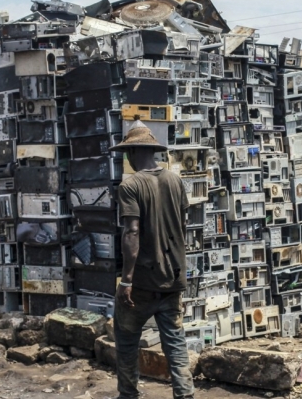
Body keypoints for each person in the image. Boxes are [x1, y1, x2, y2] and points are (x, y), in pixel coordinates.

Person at [109, 118, 195, 399]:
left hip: (143, 281)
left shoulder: (130, 186)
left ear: (132, 153)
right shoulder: (175, 180)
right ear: (152, 150)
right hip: (173, 278)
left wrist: (126, 281)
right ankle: (185, 394)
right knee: (175, 342)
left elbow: (131, 233)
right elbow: (183, 227)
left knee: (126, 338)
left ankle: (129, 394)